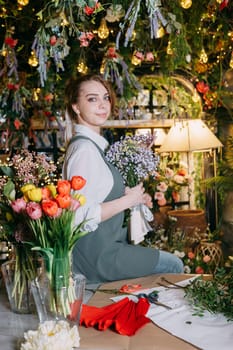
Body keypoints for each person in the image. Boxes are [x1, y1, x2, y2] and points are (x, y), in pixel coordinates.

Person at [62, 74, 184, 284]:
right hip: (98, 257)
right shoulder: (85, 150)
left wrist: (133, 198)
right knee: (174, 265)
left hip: (107, 249)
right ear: (75, 106)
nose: (102, 105)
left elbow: (99, 195)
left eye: (106, 98)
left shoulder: (96, 146)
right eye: (92, 99)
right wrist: (128, 201)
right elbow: (79, 215)